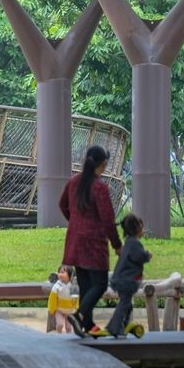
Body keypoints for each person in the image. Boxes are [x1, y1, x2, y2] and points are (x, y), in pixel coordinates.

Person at [59, 145, 122, 338]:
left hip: (76, 241)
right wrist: (117, 244)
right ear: (103, 164)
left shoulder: (73, 182)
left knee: (86, 285)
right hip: (94, 244)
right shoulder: (100, 187)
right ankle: (79, 316)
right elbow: (108, 219)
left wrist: (76, 221)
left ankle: (88, 325)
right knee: (101, 284)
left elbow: (62, 205)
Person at [105, 214, 151, 338]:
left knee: (128, 305)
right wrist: (147, 256)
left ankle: (125, 325)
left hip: (120, 279)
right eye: (141, 227)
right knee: (124, 303)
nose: (142, 231)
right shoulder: (135, 244)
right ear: (137, 229)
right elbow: (139, 257)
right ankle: (114, 327)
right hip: (126, 281)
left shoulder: (128, 244)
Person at [47, 265, 79, 333]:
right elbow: (52, 299)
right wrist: (52, 309)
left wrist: (77, 308)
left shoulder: (74, 286)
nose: (60, 274)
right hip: (60, 310)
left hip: (70, 311)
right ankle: (59, 336)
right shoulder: (57, 286)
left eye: (63, 272)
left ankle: (69, 339)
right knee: (59, 324)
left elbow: (77, 298)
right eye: (59, 272)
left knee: (69, 327)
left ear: (70, 275)